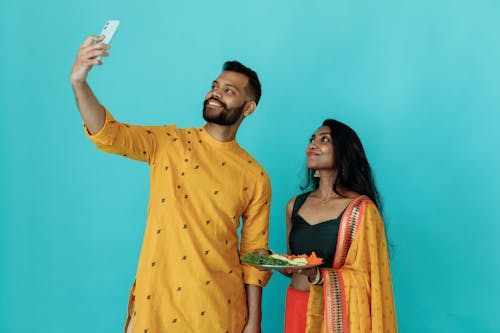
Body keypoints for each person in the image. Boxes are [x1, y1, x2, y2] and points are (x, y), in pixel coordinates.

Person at [70, 35, 272, 333]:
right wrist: (79, 82)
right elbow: (110, 134)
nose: (214, 94)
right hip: (157, 304)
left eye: (228, 91)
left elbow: (254, 255)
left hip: (219, 309)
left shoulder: (255, 176)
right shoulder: (169, 143)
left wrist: (254, 321)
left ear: (248, 108)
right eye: (214, 86)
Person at [281, 119, 397, 332]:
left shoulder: (361, 210)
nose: (312, 146)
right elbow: (292, 264)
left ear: (343, 153)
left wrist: (318, 275)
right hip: (297, 304)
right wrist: (272, 261)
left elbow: (369, 280)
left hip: (337, 313)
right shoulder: (294, 206)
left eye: (324, 139)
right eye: (311, 140)